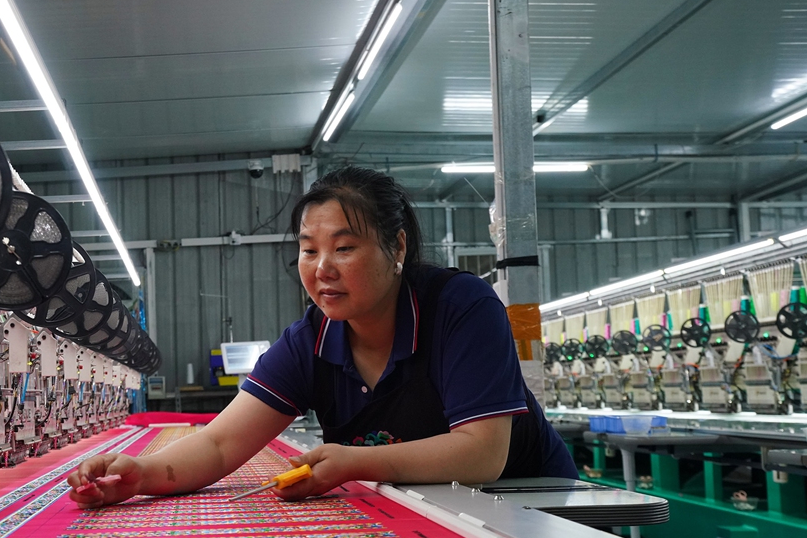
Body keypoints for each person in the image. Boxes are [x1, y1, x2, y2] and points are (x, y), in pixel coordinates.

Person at [68, 166, 577, 508]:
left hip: (527, 502)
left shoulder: (460, 308)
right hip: (425, 506)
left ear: (396, 246)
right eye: (309, 251)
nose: (322, 269)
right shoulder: (311, 339)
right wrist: (139, 476)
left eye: (345, 247)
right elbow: (221, 444)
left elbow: (482, 455)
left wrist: (355, 463)